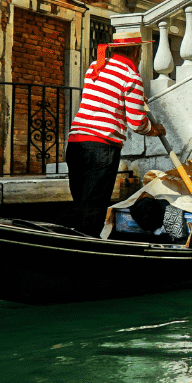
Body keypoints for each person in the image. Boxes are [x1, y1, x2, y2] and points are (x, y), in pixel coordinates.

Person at [66, 30, 165, 236]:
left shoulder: (95, 67)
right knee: (93, 213)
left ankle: (77, 253)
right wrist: (155, 130)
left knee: (82, 206)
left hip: (76, 144)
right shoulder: (131, 76)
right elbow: (137, 123)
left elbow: (104, 99)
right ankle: (86, 255)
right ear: (136, 52)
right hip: (102, 148)